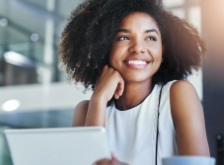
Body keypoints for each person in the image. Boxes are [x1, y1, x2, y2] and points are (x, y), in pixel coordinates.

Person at [59, 0, 210, 164]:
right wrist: (99, 98)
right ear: (104, 46)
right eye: (123, 37)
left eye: (150, 38)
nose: (138, 48)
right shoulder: (86, 110)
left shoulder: (178, 94)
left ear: (163, 49)